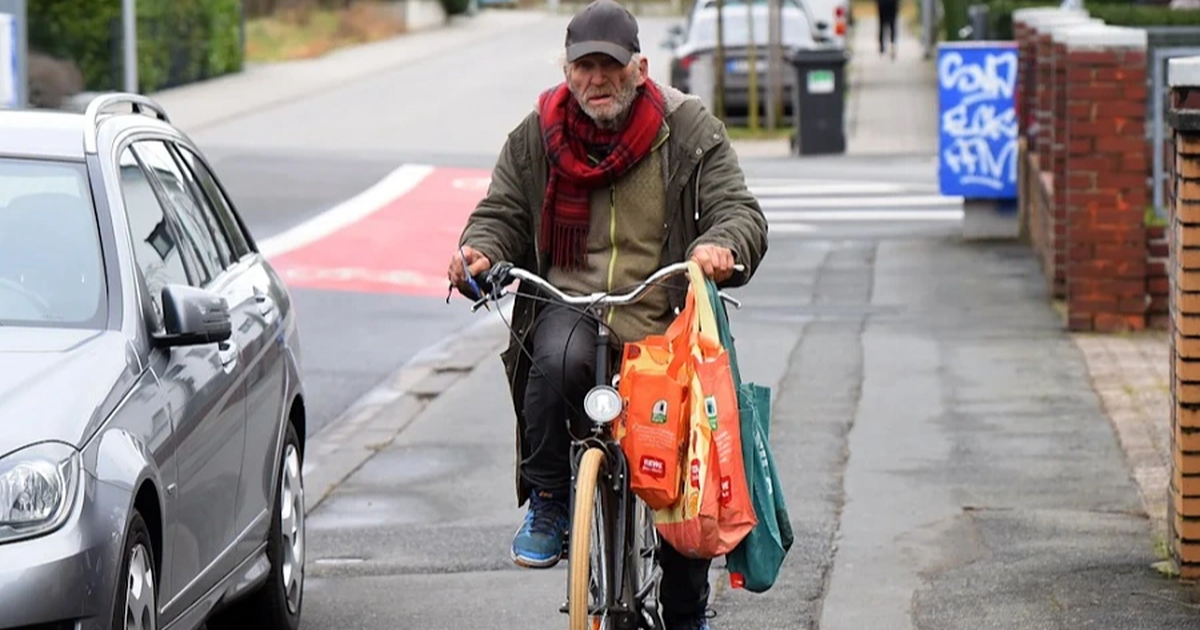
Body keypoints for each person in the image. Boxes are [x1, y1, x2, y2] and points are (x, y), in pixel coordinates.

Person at [447, 1, 768, 628]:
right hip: (573, 309)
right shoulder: (538, 134)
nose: (598, 80)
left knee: (680, 468)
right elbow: (502, 210)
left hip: (663, 321)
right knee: (552, 352)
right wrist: (479, 250)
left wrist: (721, 245)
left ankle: (684, 608)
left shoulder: (689, 128)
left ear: (640, 68)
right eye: (584, 66)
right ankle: (548, 500)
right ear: (566, 71)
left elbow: (740, 210)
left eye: (611, 67)